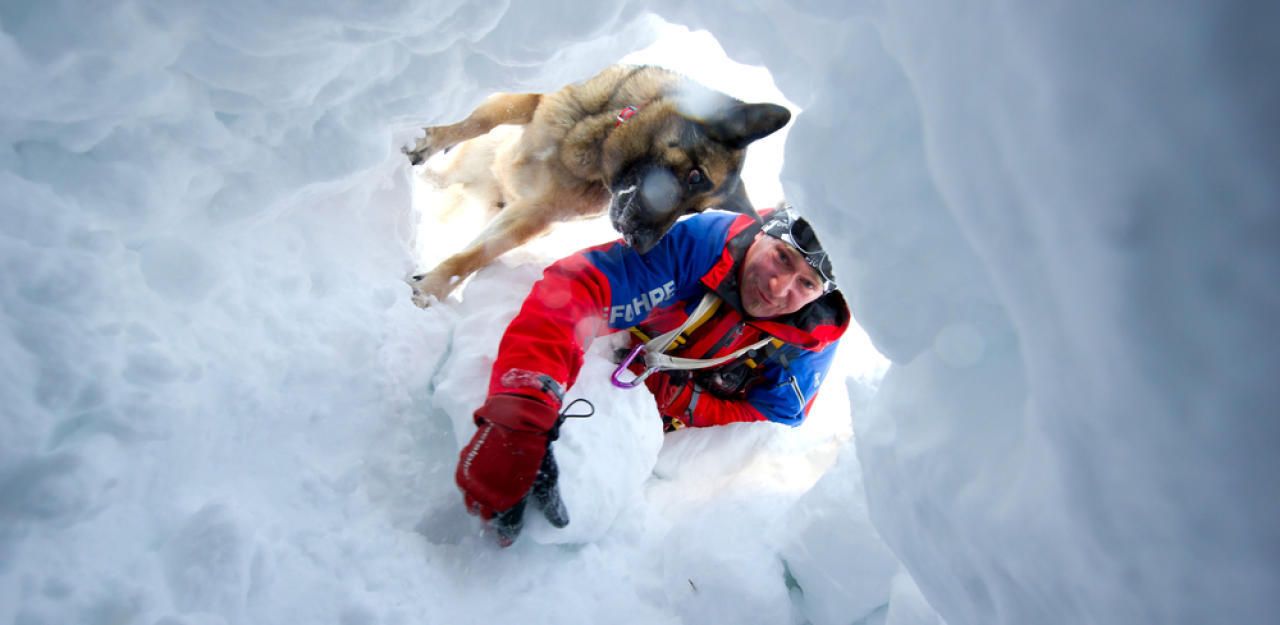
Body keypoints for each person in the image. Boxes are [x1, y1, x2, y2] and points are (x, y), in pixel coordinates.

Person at [453, 205, 850, 544]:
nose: (779, 288)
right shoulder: (704, 245)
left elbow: (775, 413)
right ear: (764, 233)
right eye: (781, 256)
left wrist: (687, 402)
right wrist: (523, 407)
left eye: (806, 283)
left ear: (823, 294)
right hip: (620, 364)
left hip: (681, 428)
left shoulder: (811, 336)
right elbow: (578, 290)